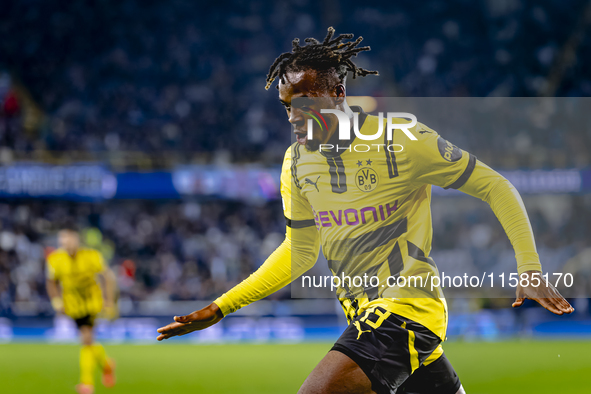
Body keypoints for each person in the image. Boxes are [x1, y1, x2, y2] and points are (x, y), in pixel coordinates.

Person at [156, 27, 574, 394]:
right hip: (365, 316)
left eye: (304, 103)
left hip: (406, 311)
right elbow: (300, 251)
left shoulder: (401, 139)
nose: (294, 119)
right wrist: (221, 306)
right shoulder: (296, 163)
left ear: (338, 94)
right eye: (287, 107)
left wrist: (529, 266)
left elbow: (494, 185)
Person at [46, 223, 118, 394]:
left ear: (76, 239)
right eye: (62, 238)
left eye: (68, 238)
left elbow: (108, 277)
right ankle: (107, 365)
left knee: (86, 339)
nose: (65, 241)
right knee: (87, 340)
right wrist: (57, 301)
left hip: (92, 302)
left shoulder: (91, 255)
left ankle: (87, 384)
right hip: (72, 305)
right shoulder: (55, 259)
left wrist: (109, 301)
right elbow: (51, 281)